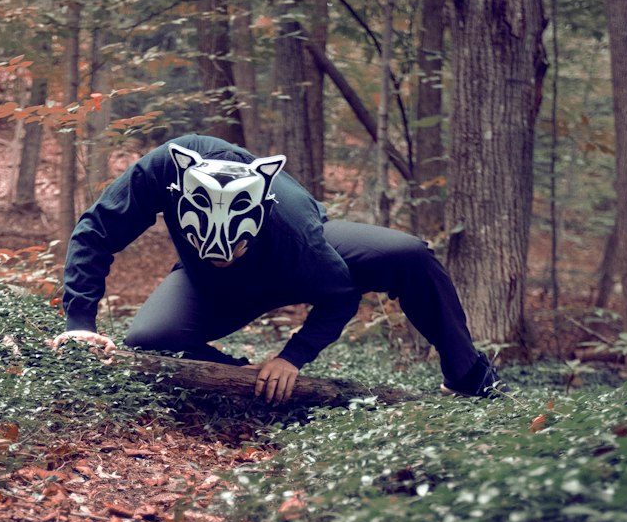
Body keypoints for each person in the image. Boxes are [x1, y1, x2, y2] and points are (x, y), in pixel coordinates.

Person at [53, 133, 502, 403]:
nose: (225, 254)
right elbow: (97, 230)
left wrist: (293, 358)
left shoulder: (293, 226)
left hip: (292, 262)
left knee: (410, 254)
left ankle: (467, 373)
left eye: (233, 248)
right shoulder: (162, 171)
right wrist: (79, 321)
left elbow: (340, 293)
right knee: (148, 339)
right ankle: (239, 371)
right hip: (208, 285)